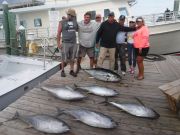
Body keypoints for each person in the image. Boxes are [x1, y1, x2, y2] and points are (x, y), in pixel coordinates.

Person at [57, 8, 78, 77]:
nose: (71, 17)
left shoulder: (75, 21)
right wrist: (58, 43)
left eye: (72, 16)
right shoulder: (62, 22)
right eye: (70, 15)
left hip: (73, 42)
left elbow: (77, 29)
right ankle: (62, 70)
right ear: (68, 14)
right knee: (63, 58)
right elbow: (58, 33)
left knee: (72, 57)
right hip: (65, 43)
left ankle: (71, 70)